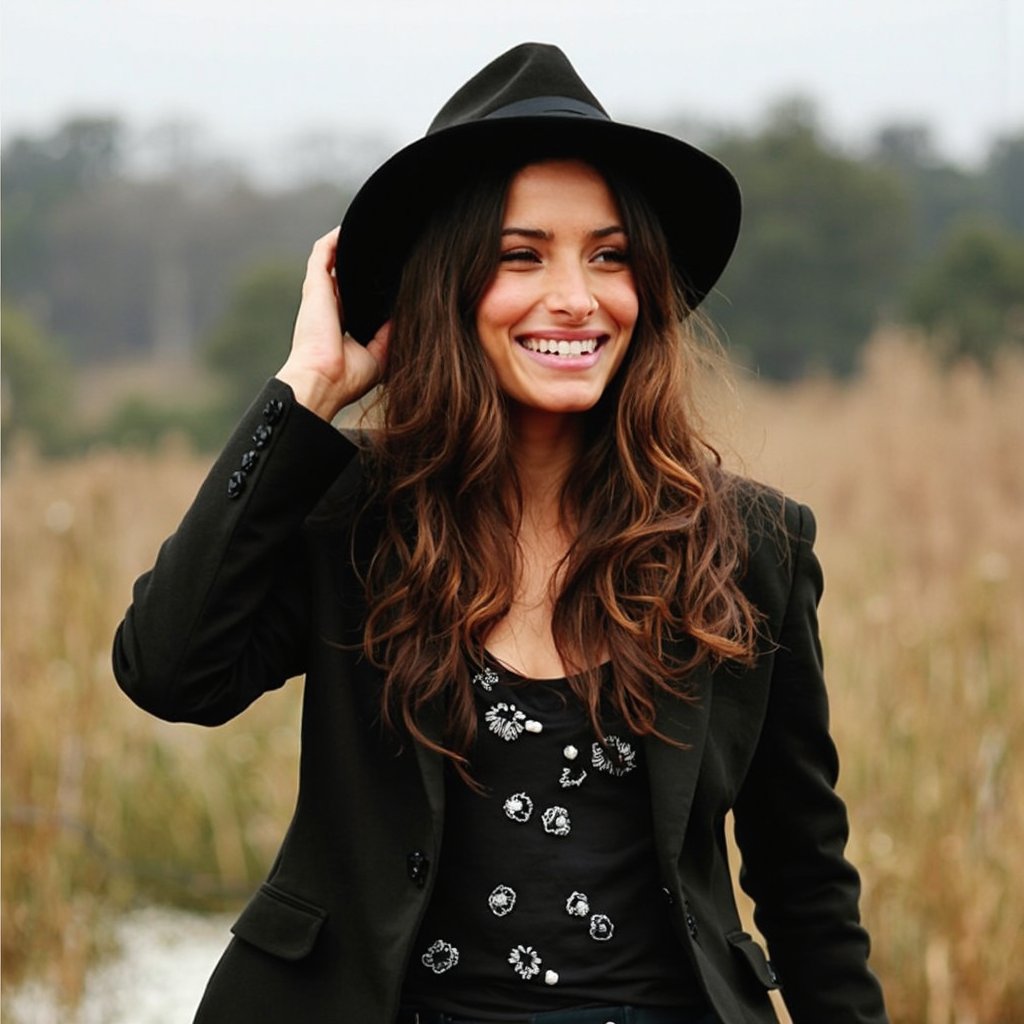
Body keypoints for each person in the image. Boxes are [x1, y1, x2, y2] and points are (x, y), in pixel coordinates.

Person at [113, 43, 888, 1024]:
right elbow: (170, 670)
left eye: (608, 255)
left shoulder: (751, 543)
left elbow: (805, 880)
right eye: (522, 256)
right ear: (448, 286)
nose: (574, 295)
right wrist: (307, 390)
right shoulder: (351, 522)